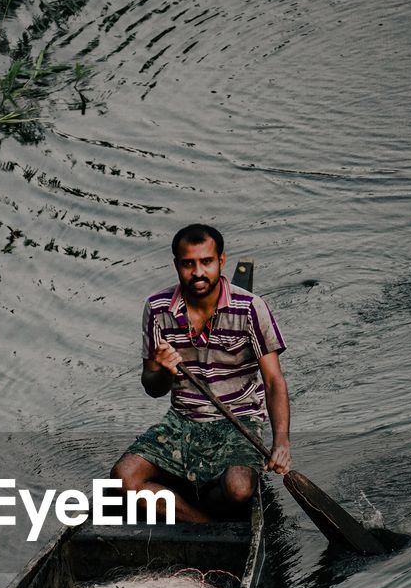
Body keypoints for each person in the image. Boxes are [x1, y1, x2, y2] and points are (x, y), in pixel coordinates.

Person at [112, 222, 291, 521]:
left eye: (206, 262)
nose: (197, 272)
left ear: (221, 261)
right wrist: (164, 370)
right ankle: (201, 521)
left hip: (239, 422)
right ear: (176, 265)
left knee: (238, 490)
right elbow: (153, 387)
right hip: (183, 421)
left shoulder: (250, 308)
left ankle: (207, 495)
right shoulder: (157, 309)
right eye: (188, 264)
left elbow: (273, 381)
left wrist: (281, 442)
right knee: (123, 478)